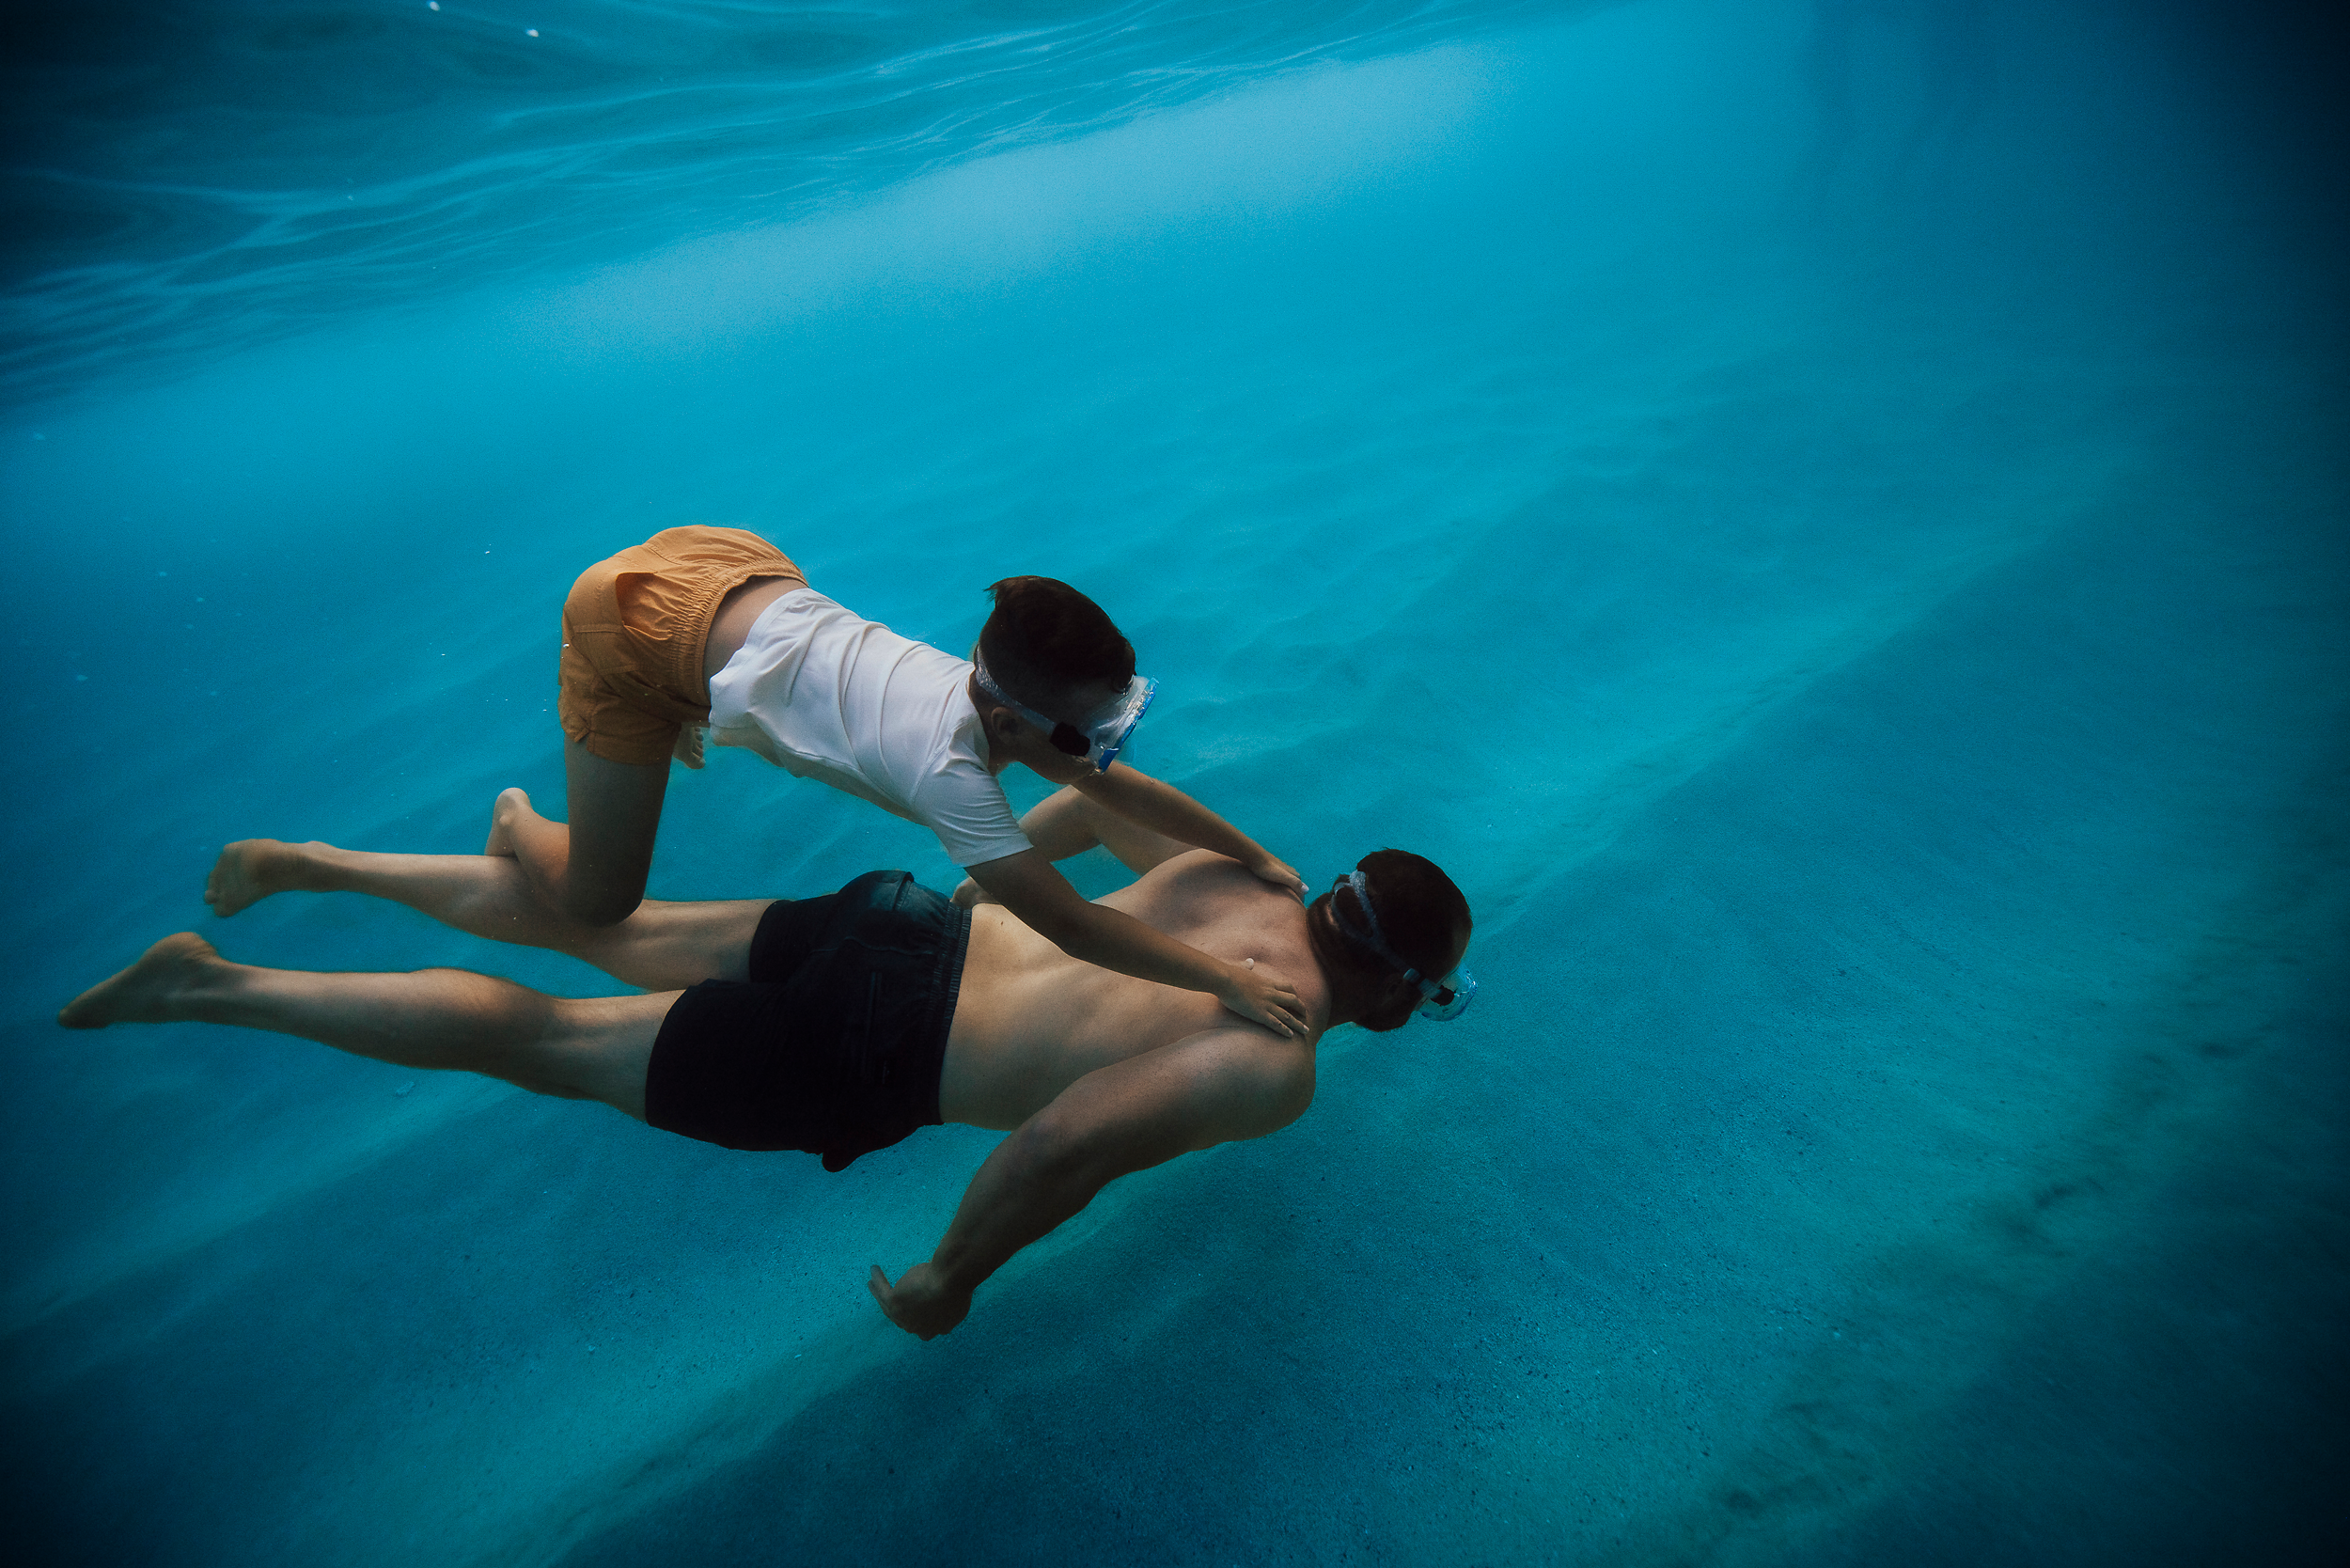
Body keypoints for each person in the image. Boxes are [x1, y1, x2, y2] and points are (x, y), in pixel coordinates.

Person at [68, 792, 1474, 1339]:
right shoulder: (1276, 1059)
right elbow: (1063, 1143)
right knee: (551, 1042)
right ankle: (212, 983)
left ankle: (321, 858)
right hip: (880, 1047)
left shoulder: (1243, 875)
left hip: (899, 923)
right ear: (1400, 994)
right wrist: (950, 1276)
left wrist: (985, 892)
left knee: (616, 932)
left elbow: (1092, 799)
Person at [384, 525, 1309, 1038]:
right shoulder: (953, 777)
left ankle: (682, 708)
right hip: (628, 627)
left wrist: (1254, 854)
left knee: (745, 698)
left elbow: (1122, 793)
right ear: (1007, 720)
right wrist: (1223, 980)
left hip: (737, 567)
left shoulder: (995, 692)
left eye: (1119, 722)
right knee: (600, 900)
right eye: (1093, 732)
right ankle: (518, 818)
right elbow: (1071, 923)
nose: (1103, 751)